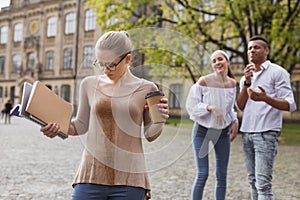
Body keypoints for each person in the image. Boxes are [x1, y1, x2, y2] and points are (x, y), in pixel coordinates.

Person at [40, 31, 169, 200]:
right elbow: (79, 125)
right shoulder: (88, 84)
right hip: (91, 174)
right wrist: (57, 128)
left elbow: (150, 135)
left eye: (111, 65)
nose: (105, 70)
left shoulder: (147, 88)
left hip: (130, 178)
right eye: (100, 64)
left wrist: (160, 120)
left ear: (128, 59)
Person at [236, 35, 296, 200]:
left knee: (263, 184)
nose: (252, 51)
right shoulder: (245, 77)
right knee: (253, 181)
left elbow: (291, 105)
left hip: (266, 133)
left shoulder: (278, 72)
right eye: (249, 48)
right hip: (247, 133)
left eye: (256, 47)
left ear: (266, 51)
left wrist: (266, 98)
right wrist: (247, 83)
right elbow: (240, 106)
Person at [186, 50, 239, 200]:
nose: (217, 63)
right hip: (202, 131)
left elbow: (230, 108)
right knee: (203, 173)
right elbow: (191, 106)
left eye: (220, 59)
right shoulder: (204, 81)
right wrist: (211, 108)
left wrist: (234, 120)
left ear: (227, 62)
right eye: (214, 61)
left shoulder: (232, 84)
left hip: (222, 133)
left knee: (222, 175)